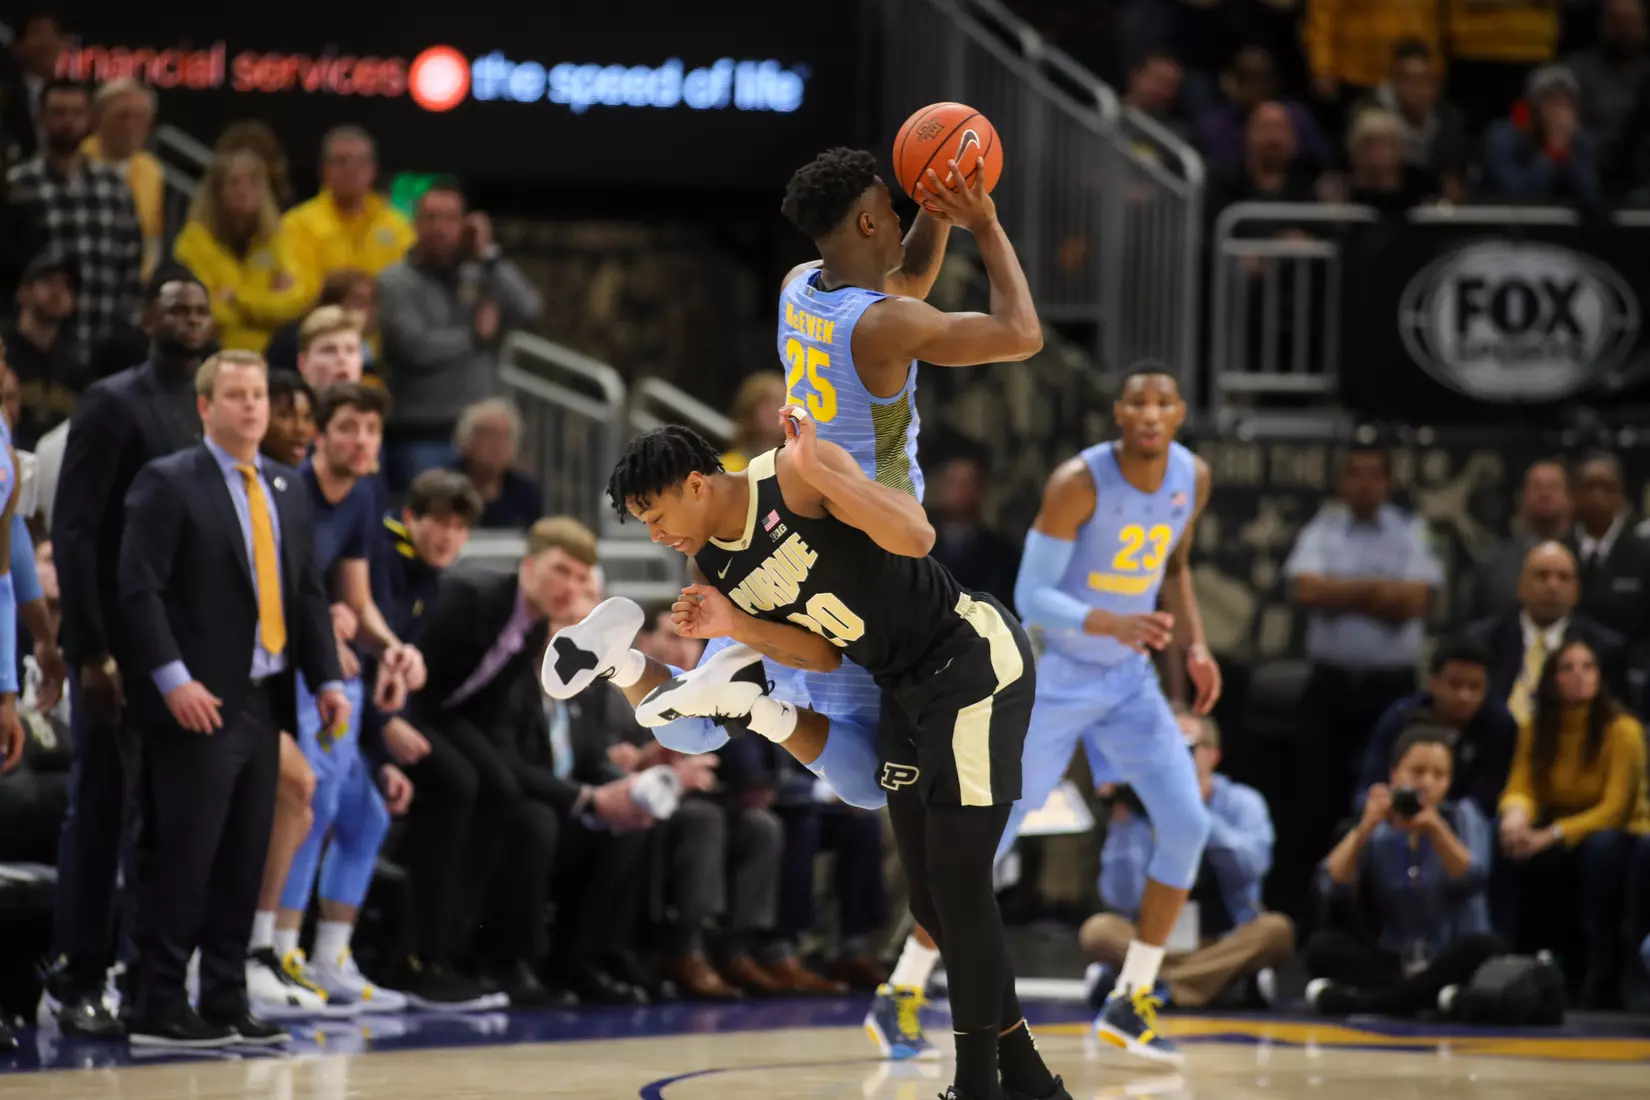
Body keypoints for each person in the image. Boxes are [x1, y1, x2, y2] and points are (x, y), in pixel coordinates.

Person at [546, 418, 1068, 1100]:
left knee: (959, 884)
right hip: (902, 690)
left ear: (697, 485)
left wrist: (823, 470)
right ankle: (1027, 1076)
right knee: (931, 901)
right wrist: (734, 626)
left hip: (969, 663)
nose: (656, 535)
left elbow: (918, 536)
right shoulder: (712, 563)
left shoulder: (791, 475)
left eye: (656, 515)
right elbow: (818, 654)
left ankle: (977, 1087)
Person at [118, 349, 347, 1047]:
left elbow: (307, 590)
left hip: (266, 696)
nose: (253, 406)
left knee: (245, 854)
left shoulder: (286, 484)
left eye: (259, 396)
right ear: (205, 407)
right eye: (237, 395)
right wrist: (171, 679)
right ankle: (154, 1002)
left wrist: (327, 678)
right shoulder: (168, 481)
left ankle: (222, 997)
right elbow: (138, 589)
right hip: (197, 697)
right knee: (184, 854)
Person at [1008, 364, 1215, 1064]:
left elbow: (1176, 565)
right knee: (993, 831)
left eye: (1164, 401)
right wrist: (1108, 622)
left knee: (1187, 822)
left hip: (1128, 677)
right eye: (1138, 402)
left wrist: (1198, 647)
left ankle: (1132, 998)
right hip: (1058, 670)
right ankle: (905, 987)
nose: (1152, 412)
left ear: (1180, 412)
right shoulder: (1079, 482)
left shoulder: (1194, 476)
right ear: (1119, 415)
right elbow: (1030, 595)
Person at [44, 273, 213, 1038]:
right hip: (117, 646)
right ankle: (75, 974)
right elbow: (75, 533)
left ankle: (147, 979)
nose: (188, 317)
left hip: (179, 647)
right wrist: (89, 651)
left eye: (199, 308)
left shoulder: (207, 406)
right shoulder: (112, 402)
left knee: (163, 818)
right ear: (147, 317)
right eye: (174, 305)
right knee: (103, 807)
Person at [266, 383, 424, 1014]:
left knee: (366, 816)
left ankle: (330, 957)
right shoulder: (288, 491)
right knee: (314, 800)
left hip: (335, 669)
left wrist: (393, 649)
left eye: (372, 431)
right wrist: (321, 618)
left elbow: (356, 600)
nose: (362, 441)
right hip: (291, 671)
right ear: (321, 435)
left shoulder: (362, 494)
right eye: (349, 428)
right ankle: (279, 951)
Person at [1082, 711, 1292, 1011]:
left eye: (1186, 749)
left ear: (1212, 755)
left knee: (1276, 930)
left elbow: (1252, 867)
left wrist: (1194, 815)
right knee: (1098, 930)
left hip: (1222, 944)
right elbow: (1121, 898)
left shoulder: (1241, 802)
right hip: (1157, 943)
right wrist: (1123, 820)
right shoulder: (1140, 807)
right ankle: (1206, 986)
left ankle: (1154, 986)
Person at [1308, 726, 1504, 1017]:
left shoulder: (1463, 815)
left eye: (1439, 775)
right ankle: (1426, 1001)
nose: (1427, 783)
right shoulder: (1379, 828)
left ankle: (1369, 1003)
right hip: (1395, 960)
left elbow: (1473, 877)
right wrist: (1363, 829)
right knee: (1322, 947)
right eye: (1417, 772)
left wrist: (1435, 828)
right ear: (1394, 775)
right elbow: (1330, 885)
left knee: (1486, 947)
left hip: (1450, 956)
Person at [1498, 636, 1649, 1006]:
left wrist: (1550, 834)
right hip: (1561, 828)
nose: (1579, 675)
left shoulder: (1622, 729)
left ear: (1600, 676)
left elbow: (1615, 808)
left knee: (1601, 849)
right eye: (1567, 668)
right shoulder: (1537, 727)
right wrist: (1514, 819)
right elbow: (1522, 784)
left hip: (1624, 832)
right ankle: (1508, 962)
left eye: (1588, 667)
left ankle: (1603, 973)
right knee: (1505, 843)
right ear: (1551, 679)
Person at [1357, 637, 1516, 821]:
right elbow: (1369, 783)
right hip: (1397, 812)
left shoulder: (1499, 725)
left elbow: (1486, 799)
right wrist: (1378, 798)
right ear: (1433, 683)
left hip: (1463, 822)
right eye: (1455, 685)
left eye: (1475, 687)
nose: (1464, 696)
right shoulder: (1401, 716)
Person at [172, 148, 311, 353]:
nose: (243, 189)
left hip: (271, 352)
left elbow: (296, 302)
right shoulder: (192, 241)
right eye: (234, 182)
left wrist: (237, 299)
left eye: (252, 182)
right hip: (213, 349)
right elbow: (204, 313)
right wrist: (266, 304)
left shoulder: (276, 237)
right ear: (217, 191)